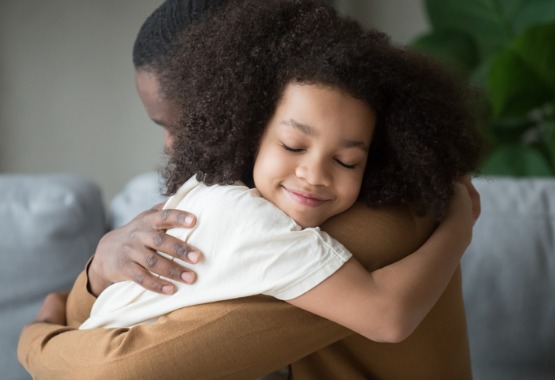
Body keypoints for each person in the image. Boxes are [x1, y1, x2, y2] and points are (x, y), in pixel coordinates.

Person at [18, 0, 483, 378]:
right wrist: (99, 271)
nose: (174, 144)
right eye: (161, 125)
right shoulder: (244, 198)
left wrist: (36, 337)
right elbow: (99, 314)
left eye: (185, 119)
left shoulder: (366, 224)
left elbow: (121, 370)